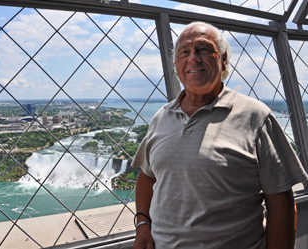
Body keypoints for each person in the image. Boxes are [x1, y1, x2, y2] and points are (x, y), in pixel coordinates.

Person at [131, 21, 308, 249]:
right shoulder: (161, 118)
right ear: (176, 64)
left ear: (223, 59)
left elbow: (281, 202)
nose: (193, 58)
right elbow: (147, 176)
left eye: (203, 49)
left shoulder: (256, 116)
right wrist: (142, 224)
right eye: (184, 52)